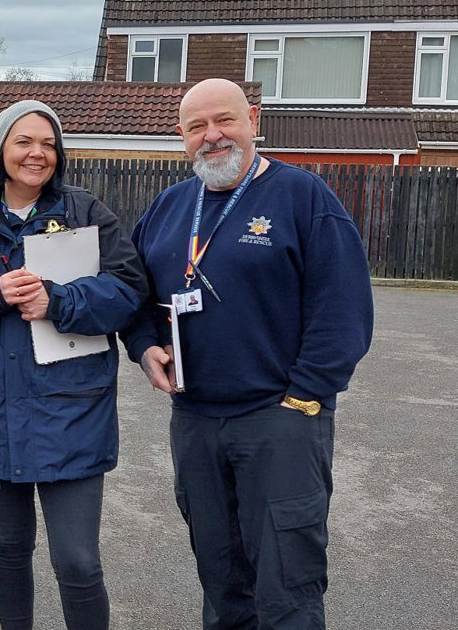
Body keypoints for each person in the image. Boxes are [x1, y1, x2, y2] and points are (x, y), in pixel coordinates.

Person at [122, 78, 373, 629]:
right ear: (182, 136)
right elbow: (131, 294)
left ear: (253, 120)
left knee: (288, 584)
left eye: (225, 120)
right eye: (196, 127)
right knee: (221, 580)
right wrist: (143, 348)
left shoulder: (304, 197)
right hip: (195, 420)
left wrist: (303, 399)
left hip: (278, 420)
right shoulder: (168, 207)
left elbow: (343, 311)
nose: (213, 136)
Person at [0, 100, 146, 630]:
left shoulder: (88, 214)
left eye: (48, 143)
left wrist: (61, 302)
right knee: (9, 549)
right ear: (1, 151)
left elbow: (129, 291)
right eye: (23, 142)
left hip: (72, 414)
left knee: (77, 561)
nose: (36, 153)